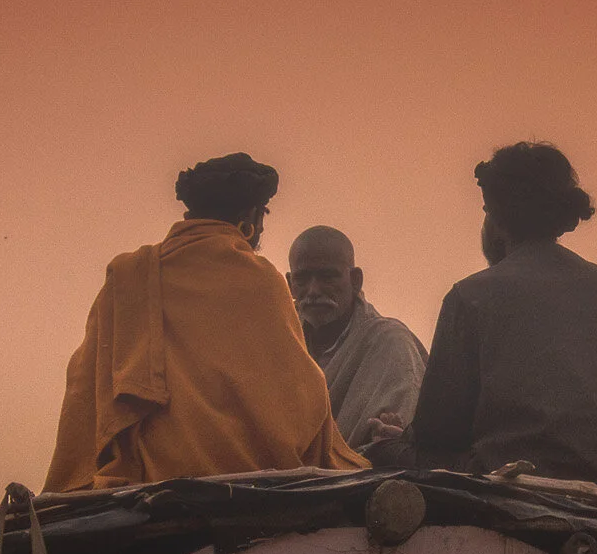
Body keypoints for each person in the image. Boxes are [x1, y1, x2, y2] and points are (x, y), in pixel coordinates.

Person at [45, 153, 366, 491]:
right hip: (245, 485)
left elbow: (83, 391)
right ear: (250, 220)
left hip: (138, 486)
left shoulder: (128, 277)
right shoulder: (261, 282)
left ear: (190, 214)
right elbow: (304, 404)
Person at [367, 142, 597, 491]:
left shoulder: (471, 294)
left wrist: (398, 441)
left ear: (494, 215)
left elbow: (438, 432)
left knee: (380, 452)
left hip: (507, 475)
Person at [286, 225, 428, 454]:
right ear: (289, 285)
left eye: (327, 277)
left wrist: (392, 440)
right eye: (302, 279)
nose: (313, 290)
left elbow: (402, 441)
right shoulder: (279, 342)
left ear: (355, 280)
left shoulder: (390, 343)